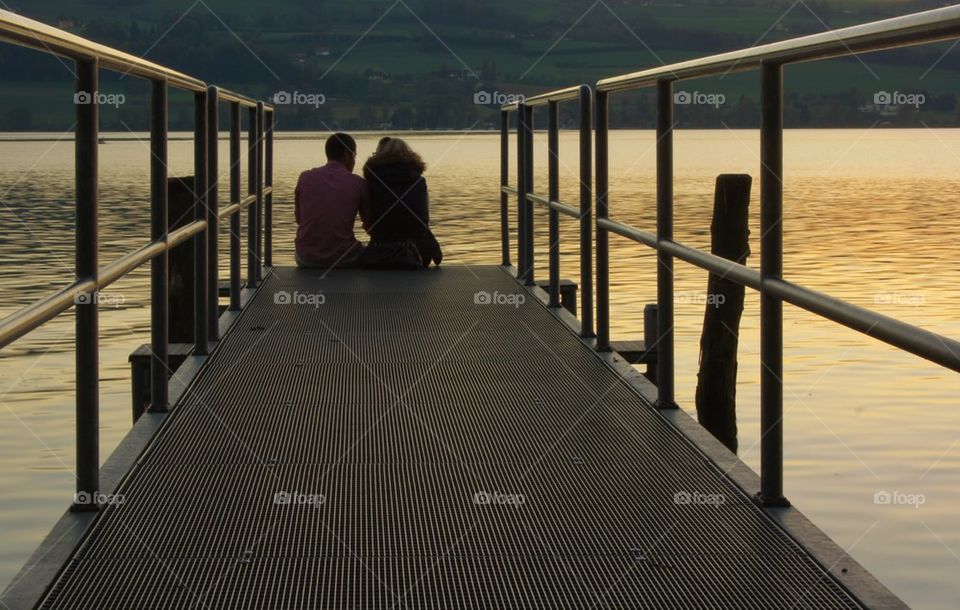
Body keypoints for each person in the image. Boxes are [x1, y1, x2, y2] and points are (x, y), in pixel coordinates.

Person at [361, 137, 443, 268]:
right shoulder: (419, 181)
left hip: (380, 252)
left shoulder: (371, 182)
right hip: (415, 252)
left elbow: (369, 220)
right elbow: (423, 219)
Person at [294, 133, 371, 268]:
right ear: (347, 154)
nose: (354, 161)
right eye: (354, 156)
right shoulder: (358, 183)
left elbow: (299, 219)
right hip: (344, 258)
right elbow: (370, 225)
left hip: (306, 257)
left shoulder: (305, 177)